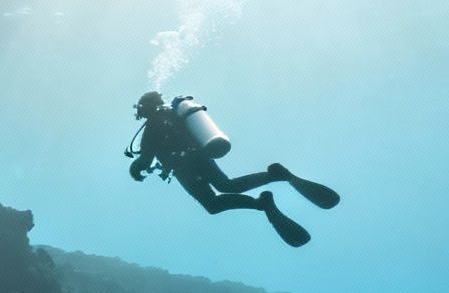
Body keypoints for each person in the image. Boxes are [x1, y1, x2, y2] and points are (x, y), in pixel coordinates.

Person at [126, 90, 339, 247]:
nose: (140, 112)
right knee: (225, 186)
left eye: (140, 108)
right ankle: (272, 183)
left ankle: (264, 198)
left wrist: (136, 169)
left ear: (145, 108)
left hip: (186, 166)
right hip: (196, 157)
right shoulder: (173, 116)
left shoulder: (153, 125)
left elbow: (145, 158)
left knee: (214, 202)